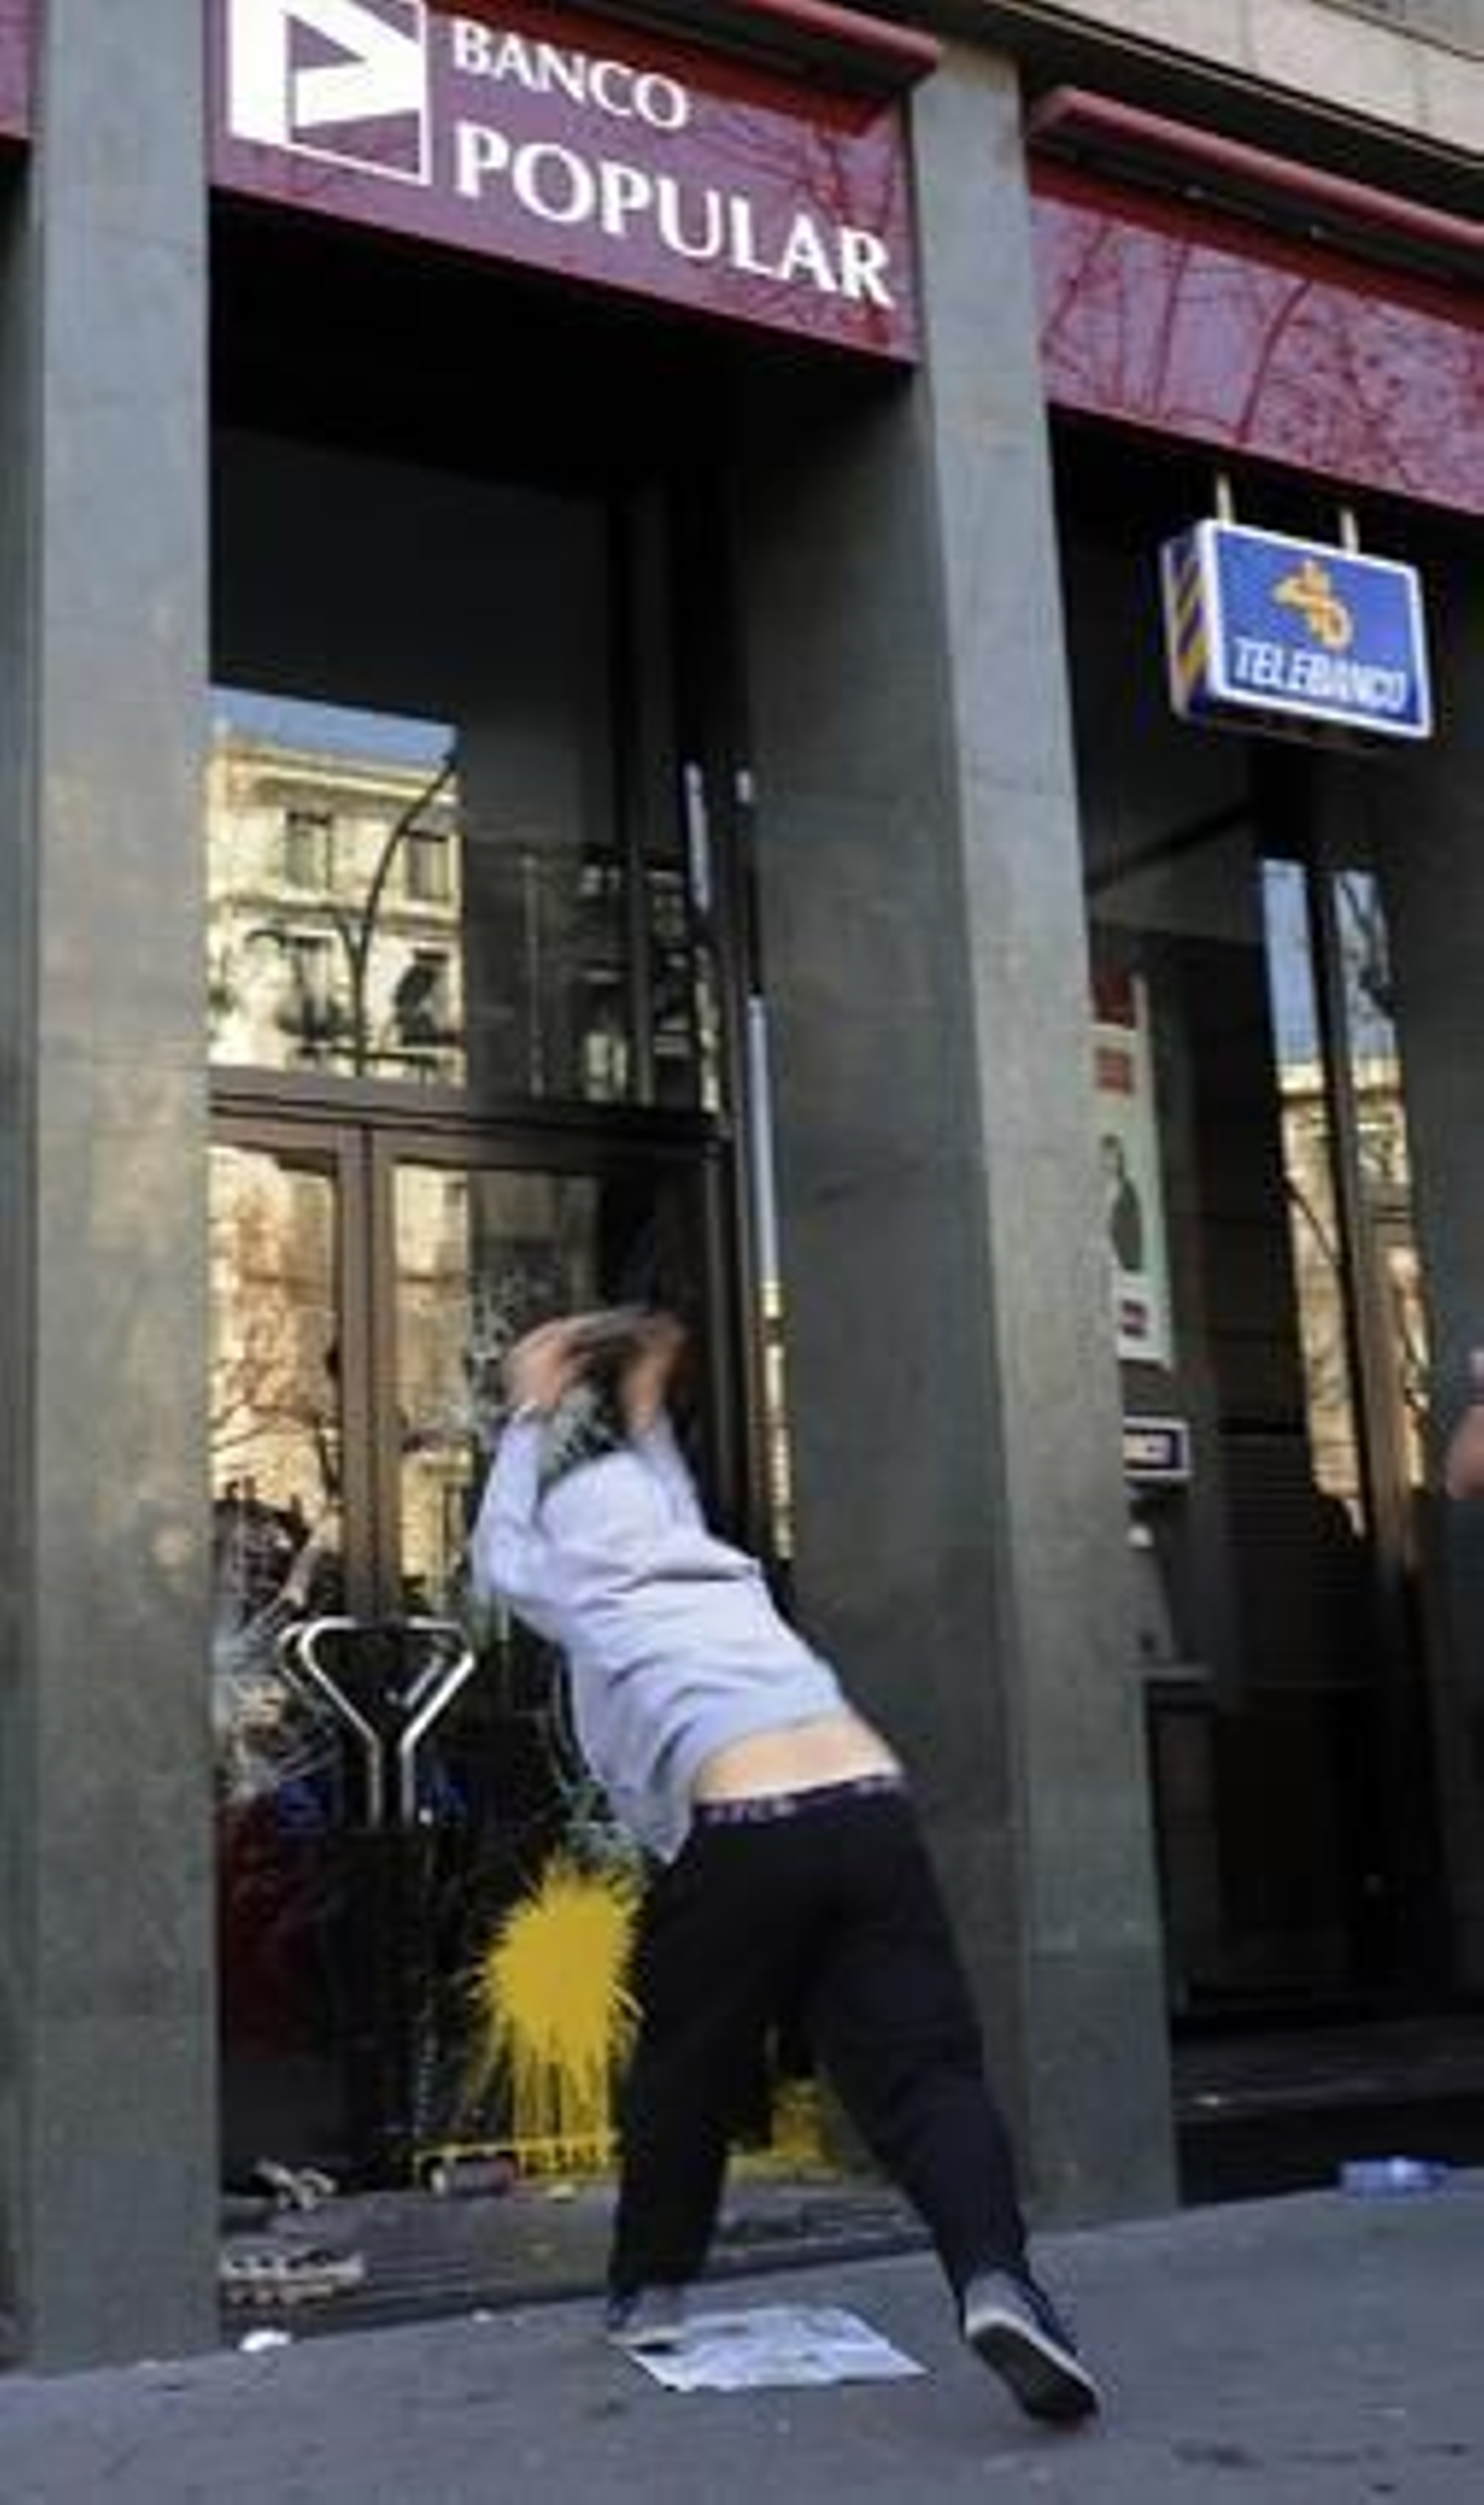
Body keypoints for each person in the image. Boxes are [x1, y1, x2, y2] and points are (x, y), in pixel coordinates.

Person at [471, 1307, 1101, 2426]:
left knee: (689, 2062)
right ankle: (999, 2282)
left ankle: (651, 2288)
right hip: (869, 1806)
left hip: (748, 1819)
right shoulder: (719, 1571)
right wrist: (646, 1410)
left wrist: (529, 1414)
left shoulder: (582, 1586)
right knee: (927, 2073)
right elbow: (665, 1500)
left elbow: (499, 1558)